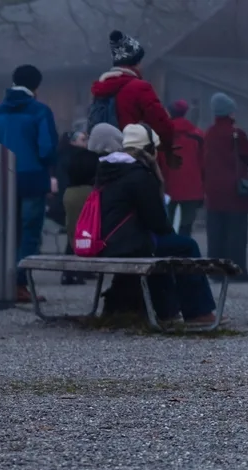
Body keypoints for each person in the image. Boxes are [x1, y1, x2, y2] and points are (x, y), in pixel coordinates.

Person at [89, 123, 216, 324]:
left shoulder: (108, 169)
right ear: (148, 150)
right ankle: (199, 312)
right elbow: (157, 221)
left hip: (108, 242)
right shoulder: (139, 175)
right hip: (127, 245)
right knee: (186, 246)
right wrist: (157, 178)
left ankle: (166, 311)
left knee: (163, 247)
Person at [0, 64, 58, 303]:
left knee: (6, 231)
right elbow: (47, 148)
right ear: (36, 86)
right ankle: (20, 284)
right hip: (33, 177)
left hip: (4, 178)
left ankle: (1, 283)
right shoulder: (40, 111)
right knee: (29, 233)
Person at [88, 31, 176, 164]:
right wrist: (166, 145)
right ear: (135, 63)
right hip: (134, 157)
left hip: (105, 158)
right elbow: (161, 125)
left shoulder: (102, 89)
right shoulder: (139, 87)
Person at [203, 92, 248, 281]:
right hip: (235, 191)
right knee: (236, 233)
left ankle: (216, 272)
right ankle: (237, 271)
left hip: (213, 191)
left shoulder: (208, 134)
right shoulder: (236, 134)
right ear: (230, 112)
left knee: (216, 233)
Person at [58, 128, 102, 284]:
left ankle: (77, 270)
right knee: (79, 233)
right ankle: (71, 272)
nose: (86, 142)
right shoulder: (79, 157)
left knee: (75, 232)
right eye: (83, 140)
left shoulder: (69, 156)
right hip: (78, 193)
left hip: (69, 194)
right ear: (73, 141)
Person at [165, 100, 205, 236]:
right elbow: (203, 162)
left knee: (166, 224)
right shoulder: (198, 135)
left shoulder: (162, 135)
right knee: (186, 226)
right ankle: (184, 251)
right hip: (192, 188)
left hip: (168, 187)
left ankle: (168, 251)